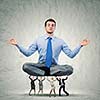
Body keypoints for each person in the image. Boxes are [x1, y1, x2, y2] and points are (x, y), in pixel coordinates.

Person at [9, 18, 89, 76]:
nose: (50, 27)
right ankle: (46, 72)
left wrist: (80, 45)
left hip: (54, 66)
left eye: (53, 25)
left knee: (70, 68)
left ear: (55, 27)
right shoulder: (38, 40)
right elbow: (28, 53)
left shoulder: (60, 41)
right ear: (45, 27)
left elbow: (71, 55)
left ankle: (48, 72)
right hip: (40, 66)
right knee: (25, 66)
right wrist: (17, 45)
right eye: (49, 25)